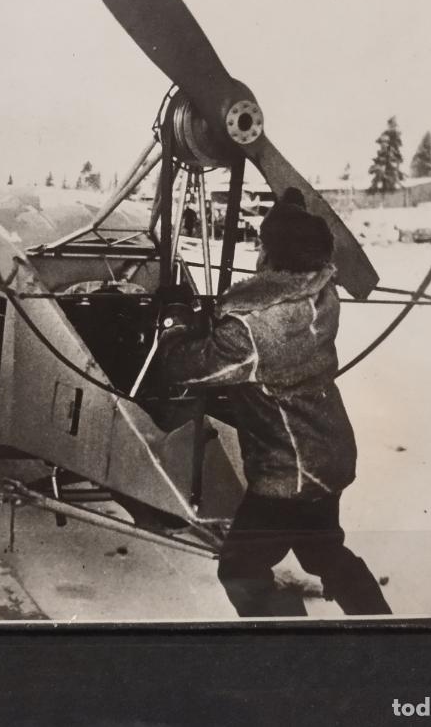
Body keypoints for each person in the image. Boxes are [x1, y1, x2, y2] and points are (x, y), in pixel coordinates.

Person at [157, 187, 391, 617]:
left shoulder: (251, 328)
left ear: (270, 256)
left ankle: (290, 653)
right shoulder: (322, 295)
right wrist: (290, 211)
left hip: (289, 474)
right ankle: (382, 627)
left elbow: (187, 369)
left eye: (264, 246)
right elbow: (297, 267)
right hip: (329, 455)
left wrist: (173, 324)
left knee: (240, 568)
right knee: (322, 552)